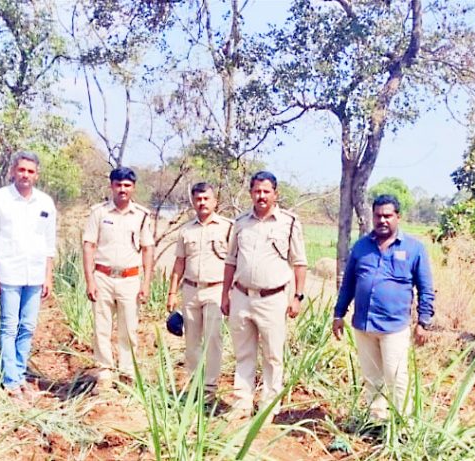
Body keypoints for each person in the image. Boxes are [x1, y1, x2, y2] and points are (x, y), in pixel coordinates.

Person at [332, 194, 435, 421]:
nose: (382, 220)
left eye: (388, 216)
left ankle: (403, 425)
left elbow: (426, 289)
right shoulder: (361, 247)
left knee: (396, 377)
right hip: (363, 326)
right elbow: (348, 284)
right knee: (372, 379)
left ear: (398, 217)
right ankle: (376, 422)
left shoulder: (414, 249)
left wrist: (424, 322)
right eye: (378, 216)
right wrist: (338, 314)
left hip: (394, 327)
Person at [221, 171, 307, 421]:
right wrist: (225, 294)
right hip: (241, 296)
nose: (261, 196)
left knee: (272, 355)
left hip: (273, 298)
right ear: (251, 193)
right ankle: (242, 404)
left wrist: (297, 297)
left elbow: (300, 262)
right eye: (257, 191)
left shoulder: (289, 223)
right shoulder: (240, 222)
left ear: (275, 194)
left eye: (266, 191)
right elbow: (230, 260)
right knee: (243, 353)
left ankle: (268, 408)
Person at [0, 151, 57, 400]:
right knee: (9, 327)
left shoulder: (45, 202)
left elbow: (48, 242)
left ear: (37, 175)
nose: (25, 175)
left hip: (34, 275)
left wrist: (48, 276)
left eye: (30, 171)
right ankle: (11, 382)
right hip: (7, 274)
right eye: (21, 170)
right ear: (13, 171)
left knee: (28, 327)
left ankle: (20, 375)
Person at [82, 167, 155, 389]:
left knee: (129, 328)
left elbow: (147, 249)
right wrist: (90, 280)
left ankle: (127, 372)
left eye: (127, 185)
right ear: (111, 186)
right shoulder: (99, 213)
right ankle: (104, 373)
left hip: (130, 279)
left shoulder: (142, 215)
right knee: (101, 327)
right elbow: (89, 246)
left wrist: (146, 283)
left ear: (133, 188)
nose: (122, 189)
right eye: (118, 185)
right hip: (102, 277)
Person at [166, 182, 233, 398]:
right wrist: (171, 293)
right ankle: (194, 385)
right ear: (193, 202)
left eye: (206, 199)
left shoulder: (228, 228)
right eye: (198, 199)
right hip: (190, 290)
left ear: (215, 201)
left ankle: (210, 389)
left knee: (213, 339)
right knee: (192, 341)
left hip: (216, 289)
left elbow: (236, 262)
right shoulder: (186, 230)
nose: (202, 203)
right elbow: (179, 263)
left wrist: (231, 293)